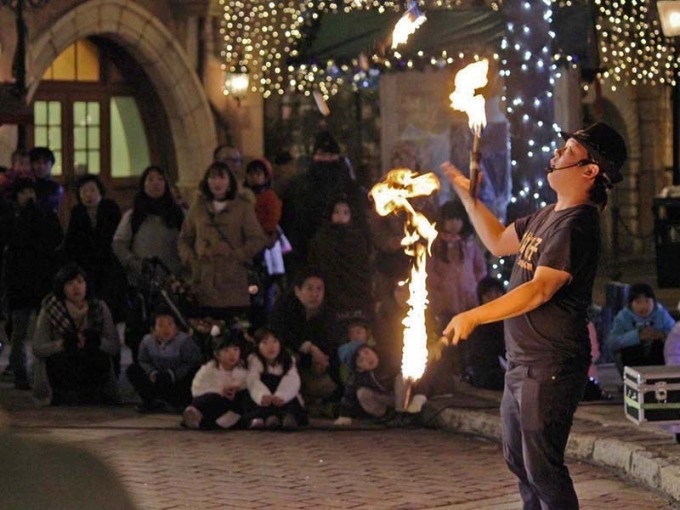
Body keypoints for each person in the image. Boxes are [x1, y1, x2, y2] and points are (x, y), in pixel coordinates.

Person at [441, 122, 628, 509]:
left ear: (590, 170)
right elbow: (496, 242)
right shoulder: (548, 215)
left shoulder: (577, 224)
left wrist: (475, 315)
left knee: (542, 465)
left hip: (551, 363)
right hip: (523, 361)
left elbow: (539, 289)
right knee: (519, 460)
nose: (556, 155)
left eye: (568, 151)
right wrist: (468, 196)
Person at [178, 161, 266, 322]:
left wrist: (237, 255)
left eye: (221, 177)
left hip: (233, 282)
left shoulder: (242, 208)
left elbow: (257, 239)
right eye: (212, 178)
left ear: (230, 182)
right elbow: (185, 238)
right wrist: (192, 260)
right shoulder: (198, 207)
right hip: (203, 281)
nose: (217, 182)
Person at [3, 179, 63, 390]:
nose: (28, 196)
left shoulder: (45, 215)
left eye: (31, 192)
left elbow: (55, 240)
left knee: (42, 329)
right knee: (18, 331)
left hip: (40, 280)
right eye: (23, 192)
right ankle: (20, 373)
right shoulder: (10, 217)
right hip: (19, 282)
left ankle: (43, 373)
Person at [31, 264, 120, 406]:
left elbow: (114, 346)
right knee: (62, 359)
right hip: (62, 368)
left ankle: (94, 394)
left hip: (90, 367)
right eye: (70, 283)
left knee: (97, 358)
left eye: (80, 282)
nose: (76, 287)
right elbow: (37, 347)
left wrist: (96, 342)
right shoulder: (50, 308)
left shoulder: (99, 307)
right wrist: (61, 344)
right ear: (62, 288)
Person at [268, 267, 344, 406]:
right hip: (292, 356)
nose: (314, 294)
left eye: (319, 289)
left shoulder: (328, 312)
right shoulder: (284, 308)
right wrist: (309, 347)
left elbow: (333, 338)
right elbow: (280, 334)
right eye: (309, 289)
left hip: (317, 363)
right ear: (298, 291)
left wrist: (323, 357)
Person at [61, 174, 126, 322]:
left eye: (92, 190)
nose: (88, 195)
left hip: (109, 263)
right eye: (84, 191)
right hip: (85, 265)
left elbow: (116, 237)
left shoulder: (110, 208)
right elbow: (71, 240)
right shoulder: (77, 212)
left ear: (100, 192)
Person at [113, 165, 185, 284]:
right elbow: (119, 244)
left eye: (160, 179)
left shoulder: (179, 214)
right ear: (144, 185)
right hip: (143, 280)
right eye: (150, 179)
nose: (155, 183)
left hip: (174, 280)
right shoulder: (133, 216)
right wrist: (135, 264)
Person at [307, 195, 373, 319]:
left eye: (345, 213)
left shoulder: (357, 239)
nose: (341, 216)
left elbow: (363, 267)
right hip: (331, 296)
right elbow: (316, 264)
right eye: (336, 212)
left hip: (356, 295)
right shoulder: (322, 239)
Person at [126, 309, 202, 412]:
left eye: (170, 325)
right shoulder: (147, 341)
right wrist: (151, 372)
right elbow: (143, 360)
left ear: (176, 328)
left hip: (178, 380)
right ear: (153, 329)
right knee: (133, 369)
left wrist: (173, 374)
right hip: (157, 378)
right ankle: (152, 402)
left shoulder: (185, 341)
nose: (165, 329)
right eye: (160, 325)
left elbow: (192, 363)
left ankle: (181, 403)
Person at [427, 200, 487, 329]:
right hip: (445, 300)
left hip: (469, 297)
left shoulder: (469, 244)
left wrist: (474, 283)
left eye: (457, 219)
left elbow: (480, 266)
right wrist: (438, 285)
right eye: (450, 219)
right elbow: (429, 270)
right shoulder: (436, 245)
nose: (454, 223)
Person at [182, 328, 248, 430]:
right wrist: (220, 391)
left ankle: (207, 422)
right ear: (217, 354)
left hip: (232, 405)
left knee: (242, 403)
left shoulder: (242, 369)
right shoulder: (209, 369)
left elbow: (249, 383)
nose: (232, 354)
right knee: (210, 399)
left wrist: (236, 388)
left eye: (235, 349)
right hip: (214, 401)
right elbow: (197, 389)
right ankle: (194, 415)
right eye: (226, 350)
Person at [244, 327, 306, 430]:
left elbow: (292, 379)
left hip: (282, 397)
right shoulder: (254, 359)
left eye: (275, 341)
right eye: (265, 342)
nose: (271, 347)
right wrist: (262, 395)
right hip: (264, 398)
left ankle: (288, 417)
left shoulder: (288, 359)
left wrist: (282, 395)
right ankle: (267, 417)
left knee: (291, 401)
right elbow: (252, 380)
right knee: (266, 381)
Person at [605, 282, 675, 373]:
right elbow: (611, 343)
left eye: (647, 301)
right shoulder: (623, 317)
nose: (643, 306)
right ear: (631, 304)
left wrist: (663, 334)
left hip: (658, 362)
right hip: (632, 362)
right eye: (638, 302)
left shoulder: (661, 314)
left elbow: (675, 333)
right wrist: (637, 336)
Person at [459, 277, 506, 391]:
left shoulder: (509, 319)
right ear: (481, 298)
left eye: (497, 293)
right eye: (489, 295)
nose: (495, 298)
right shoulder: (477, 324)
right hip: (485, 371)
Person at [334, 343, 395, 426]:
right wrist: (344, 415)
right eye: (361, 360)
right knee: (362, 393)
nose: (367, 358)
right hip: (388, 398)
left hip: (406, 396)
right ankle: (386, 416)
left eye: (367, 352)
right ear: (359, 369)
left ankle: (408, 413)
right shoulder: (359, 377)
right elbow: (349, 395)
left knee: (402, 378)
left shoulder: (390, 359)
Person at [28, 147, 63, 214]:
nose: (41, 166)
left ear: (51, 165)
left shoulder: (55, 187)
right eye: (37, 162)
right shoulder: (27, 184)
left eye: (45, 162)